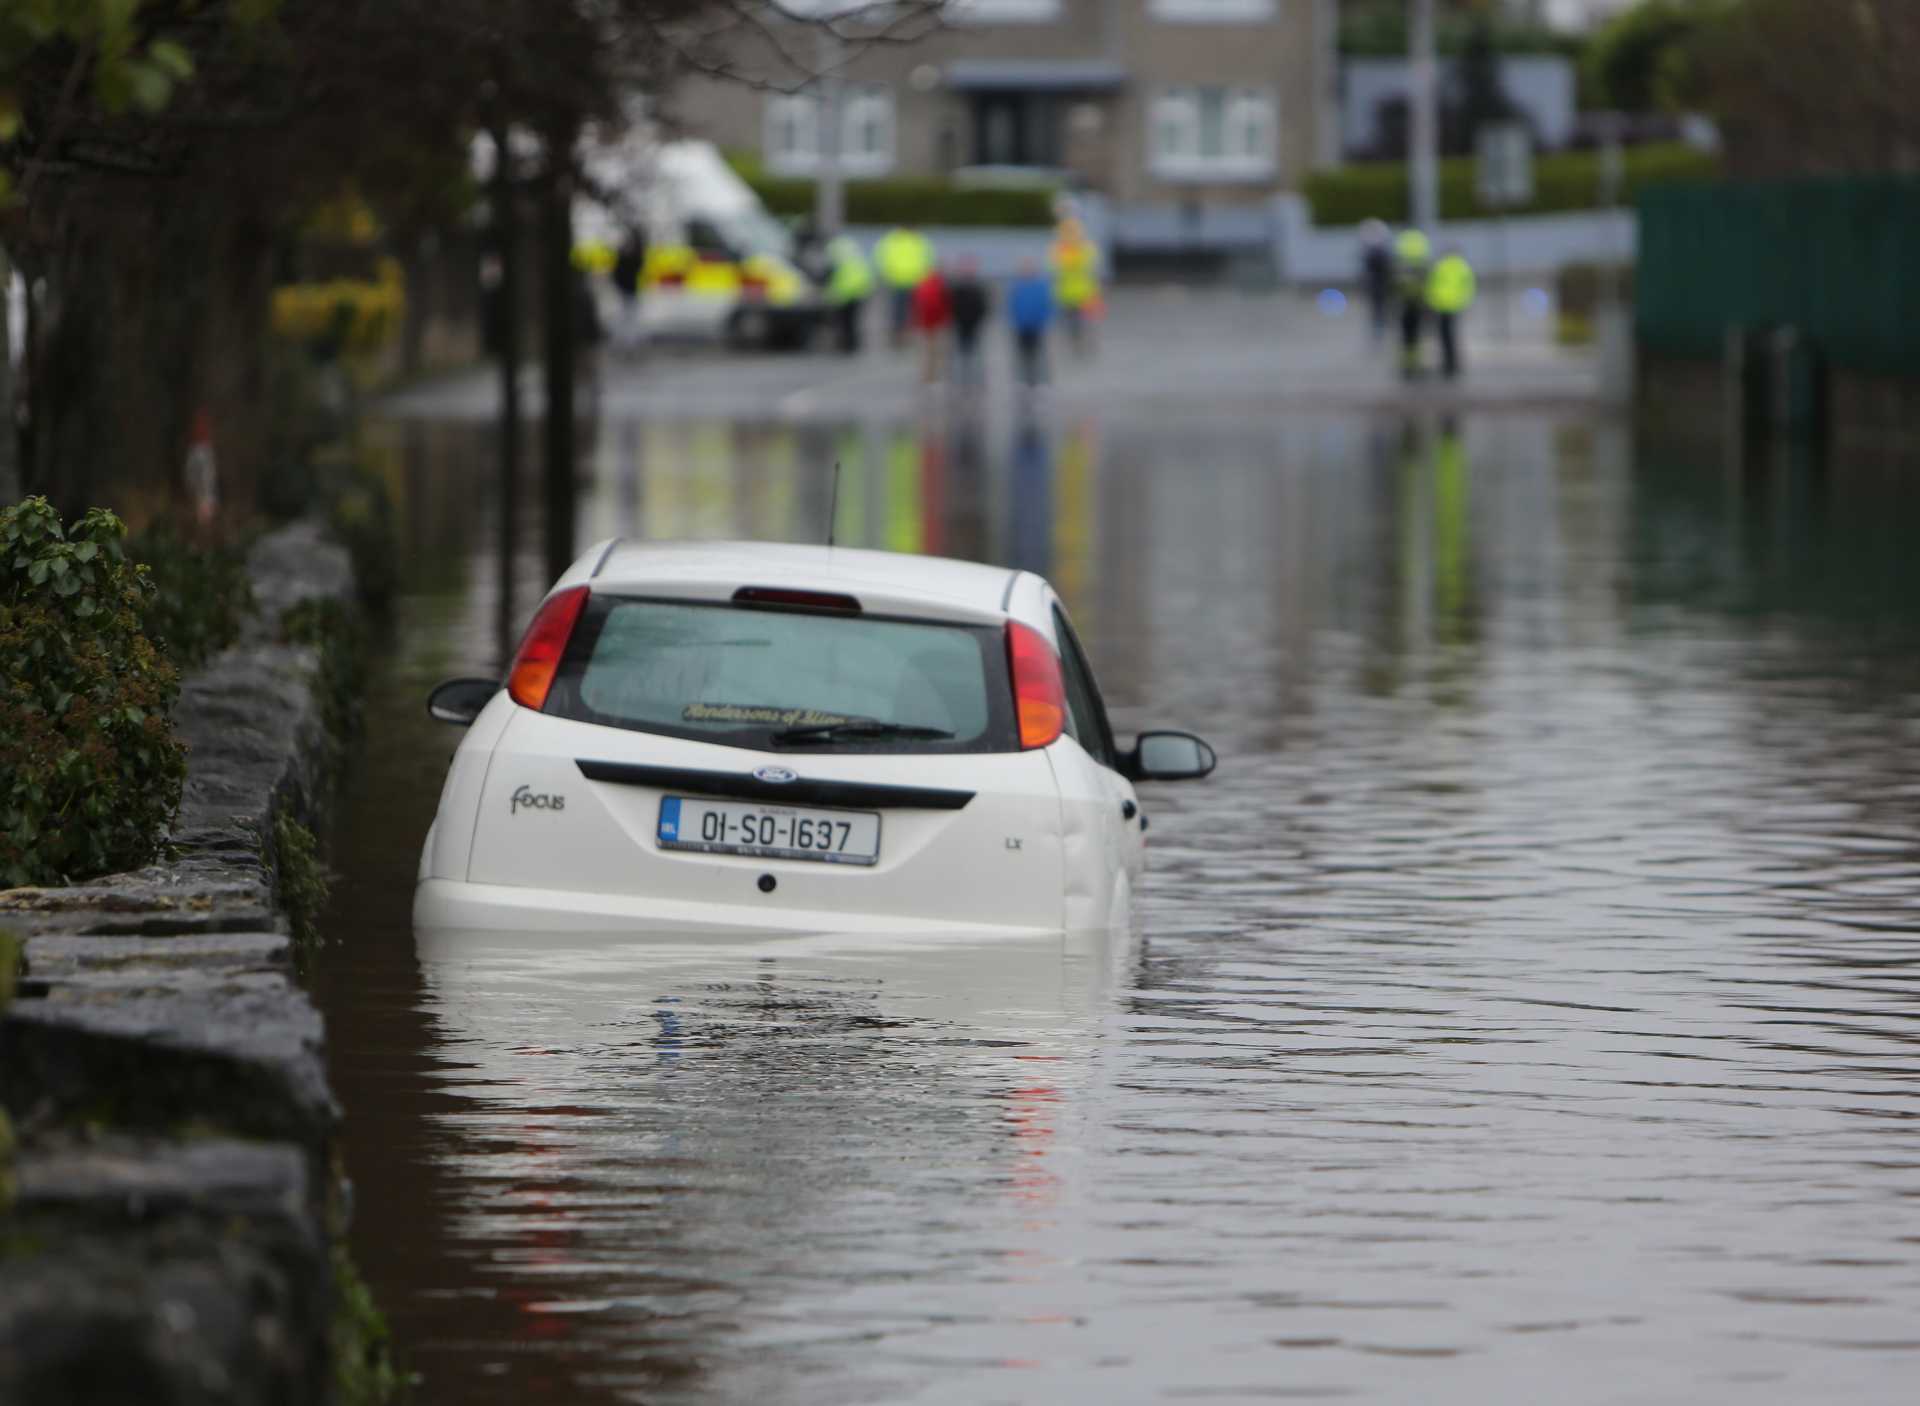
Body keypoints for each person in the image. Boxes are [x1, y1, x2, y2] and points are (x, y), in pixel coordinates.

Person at [874, 225, 934, 349]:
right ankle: (901, 335)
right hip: (904, 281)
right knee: (902, 311)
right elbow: (928, 260)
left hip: (906, 281)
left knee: (904, 311)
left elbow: (928, 260)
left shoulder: (893, 240)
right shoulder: (916, 240)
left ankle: (902, 334)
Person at [1049, 217, 1100, 355]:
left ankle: (1083, 343)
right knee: (1071, 324)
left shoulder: (1082, 248)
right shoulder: (1062, 249)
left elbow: (1090, 264)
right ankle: (1077, 343)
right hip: (1067, 293)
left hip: (1084, 293)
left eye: (1073, 232)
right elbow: (1054, 268)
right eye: (1067, 232)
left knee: (1084, 323)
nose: (1071, 235)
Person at [1427, 246, 1478, 381]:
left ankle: (1448, 364)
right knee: (1452, 336)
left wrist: (1432, 302)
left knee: (1446, 337)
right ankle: (1453, 364)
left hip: (1442, 304)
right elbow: (1469, 286)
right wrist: (1465, 301)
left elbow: (1432, 285)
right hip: (1455, 305)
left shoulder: (1440, 265)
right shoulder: (1462, 266)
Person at [1008, 258, 1054, 392]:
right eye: (1024, 269)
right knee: (1022, 356)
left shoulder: (1041, 286)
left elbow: (1047, 306)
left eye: (1029, 268)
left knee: (1039, 355)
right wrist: (1014, 321)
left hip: (1037, 327)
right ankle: (1022, 381)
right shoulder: (1017, 287)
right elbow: (1011, 306)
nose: (1026, 271)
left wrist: (1044, 320)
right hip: (1021, 327)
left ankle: (1042, 382)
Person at [947, 256, 991, 392]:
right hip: (959, 325)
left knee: (976, 355)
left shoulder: (979, 286)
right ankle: (959, 382)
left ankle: (977, 381)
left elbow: (985, 307)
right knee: (959, 355)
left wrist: (980, 319)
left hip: (975, 325)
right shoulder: (955, 287)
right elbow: (950, 307)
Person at [1394, 226, 1433, 378]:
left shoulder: (1400, 268)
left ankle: (1408, 366)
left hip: (1406, 307)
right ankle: (1413, 365)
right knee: (1415, 338)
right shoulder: (1422, 268)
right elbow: (1428, 288)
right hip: (1416, 306)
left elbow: (1394, 289)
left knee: (1408, 339)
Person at [824, 235, 874, 355]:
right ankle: (852, 344)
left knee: (845, 321)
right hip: (859, 291)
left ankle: (847, 345)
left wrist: (830, 294)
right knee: (852, 321)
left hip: (847, 294)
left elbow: (835, 279)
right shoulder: (853, 255)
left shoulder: (837, 258)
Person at [911, 264, 952, 385]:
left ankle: (928, 376)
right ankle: (936, 375)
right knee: (938, 351)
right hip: (937, 323)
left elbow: (915, 306)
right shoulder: (941, 285)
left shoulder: (922, 286)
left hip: (925, 323)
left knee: (926, 352)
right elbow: (947, 305)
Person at [1359, 219, 1393, 344]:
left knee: (1379, 311)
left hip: (1378, 287)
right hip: (1379, 288)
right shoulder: (1380, 254)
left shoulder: (1372, 254)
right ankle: (1380, 333)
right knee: (1380, 311)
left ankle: (1379, 333)